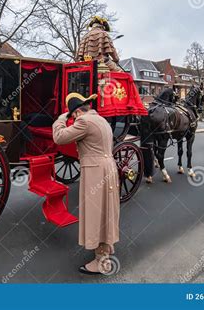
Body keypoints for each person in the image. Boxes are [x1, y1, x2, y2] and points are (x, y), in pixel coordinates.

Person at [52, 92, 120, 275]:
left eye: (72, 115)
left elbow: (59, 137)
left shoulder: (84, 122)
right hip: (108, 167)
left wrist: (60, 118)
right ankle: (107, 247)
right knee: (107, 211)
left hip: (96, 171)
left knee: (96, 214)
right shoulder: (101, 120)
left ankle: (102, 261)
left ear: (75, 113)